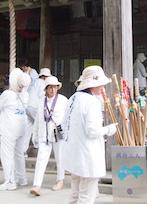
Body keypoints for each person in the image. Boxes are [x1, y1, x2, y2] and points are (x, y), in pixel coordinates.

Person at [62, 65, 118, 204]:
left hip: (74, 153)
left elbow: (64, 124)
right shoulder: (92, 102)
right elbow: (93, 131)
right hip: (87, 156)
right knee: (86, 197)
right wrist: (109, 129)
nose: (103, 87)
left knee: (74, 195)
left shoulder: (73, 98)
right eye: (101, 84)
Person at [30, 76, 68, 196]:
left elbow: (68, 118)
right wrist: (34, 135)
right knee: (41, 159)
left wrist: (68, 133)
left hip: (58, 134)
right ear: (46, 89)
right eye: (50, 87)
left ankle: (60, 180)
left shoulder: (63, 100)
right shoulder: (41, 101)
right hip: (44, 134)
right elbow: (37, 119)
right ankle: (37, 185)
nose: (52, 90)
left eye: (54, 87)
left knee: (60, 157)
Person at [0, 67, 31, 191]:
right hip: (21, 126)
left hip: (9, 127)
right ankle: (22, 178)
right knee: (19, 153)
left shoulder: (8, 94)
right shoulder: (25, 95)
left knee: (7, 154)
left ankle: (10, 181)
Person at [18, 58, 40, 156]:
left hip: (27, 105)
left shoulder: (33, 73)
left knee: (29, 128)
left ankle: (23, 150)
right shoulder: (40, 82)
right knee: (40, 125)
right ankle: (38, 144)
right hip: (34, 106)